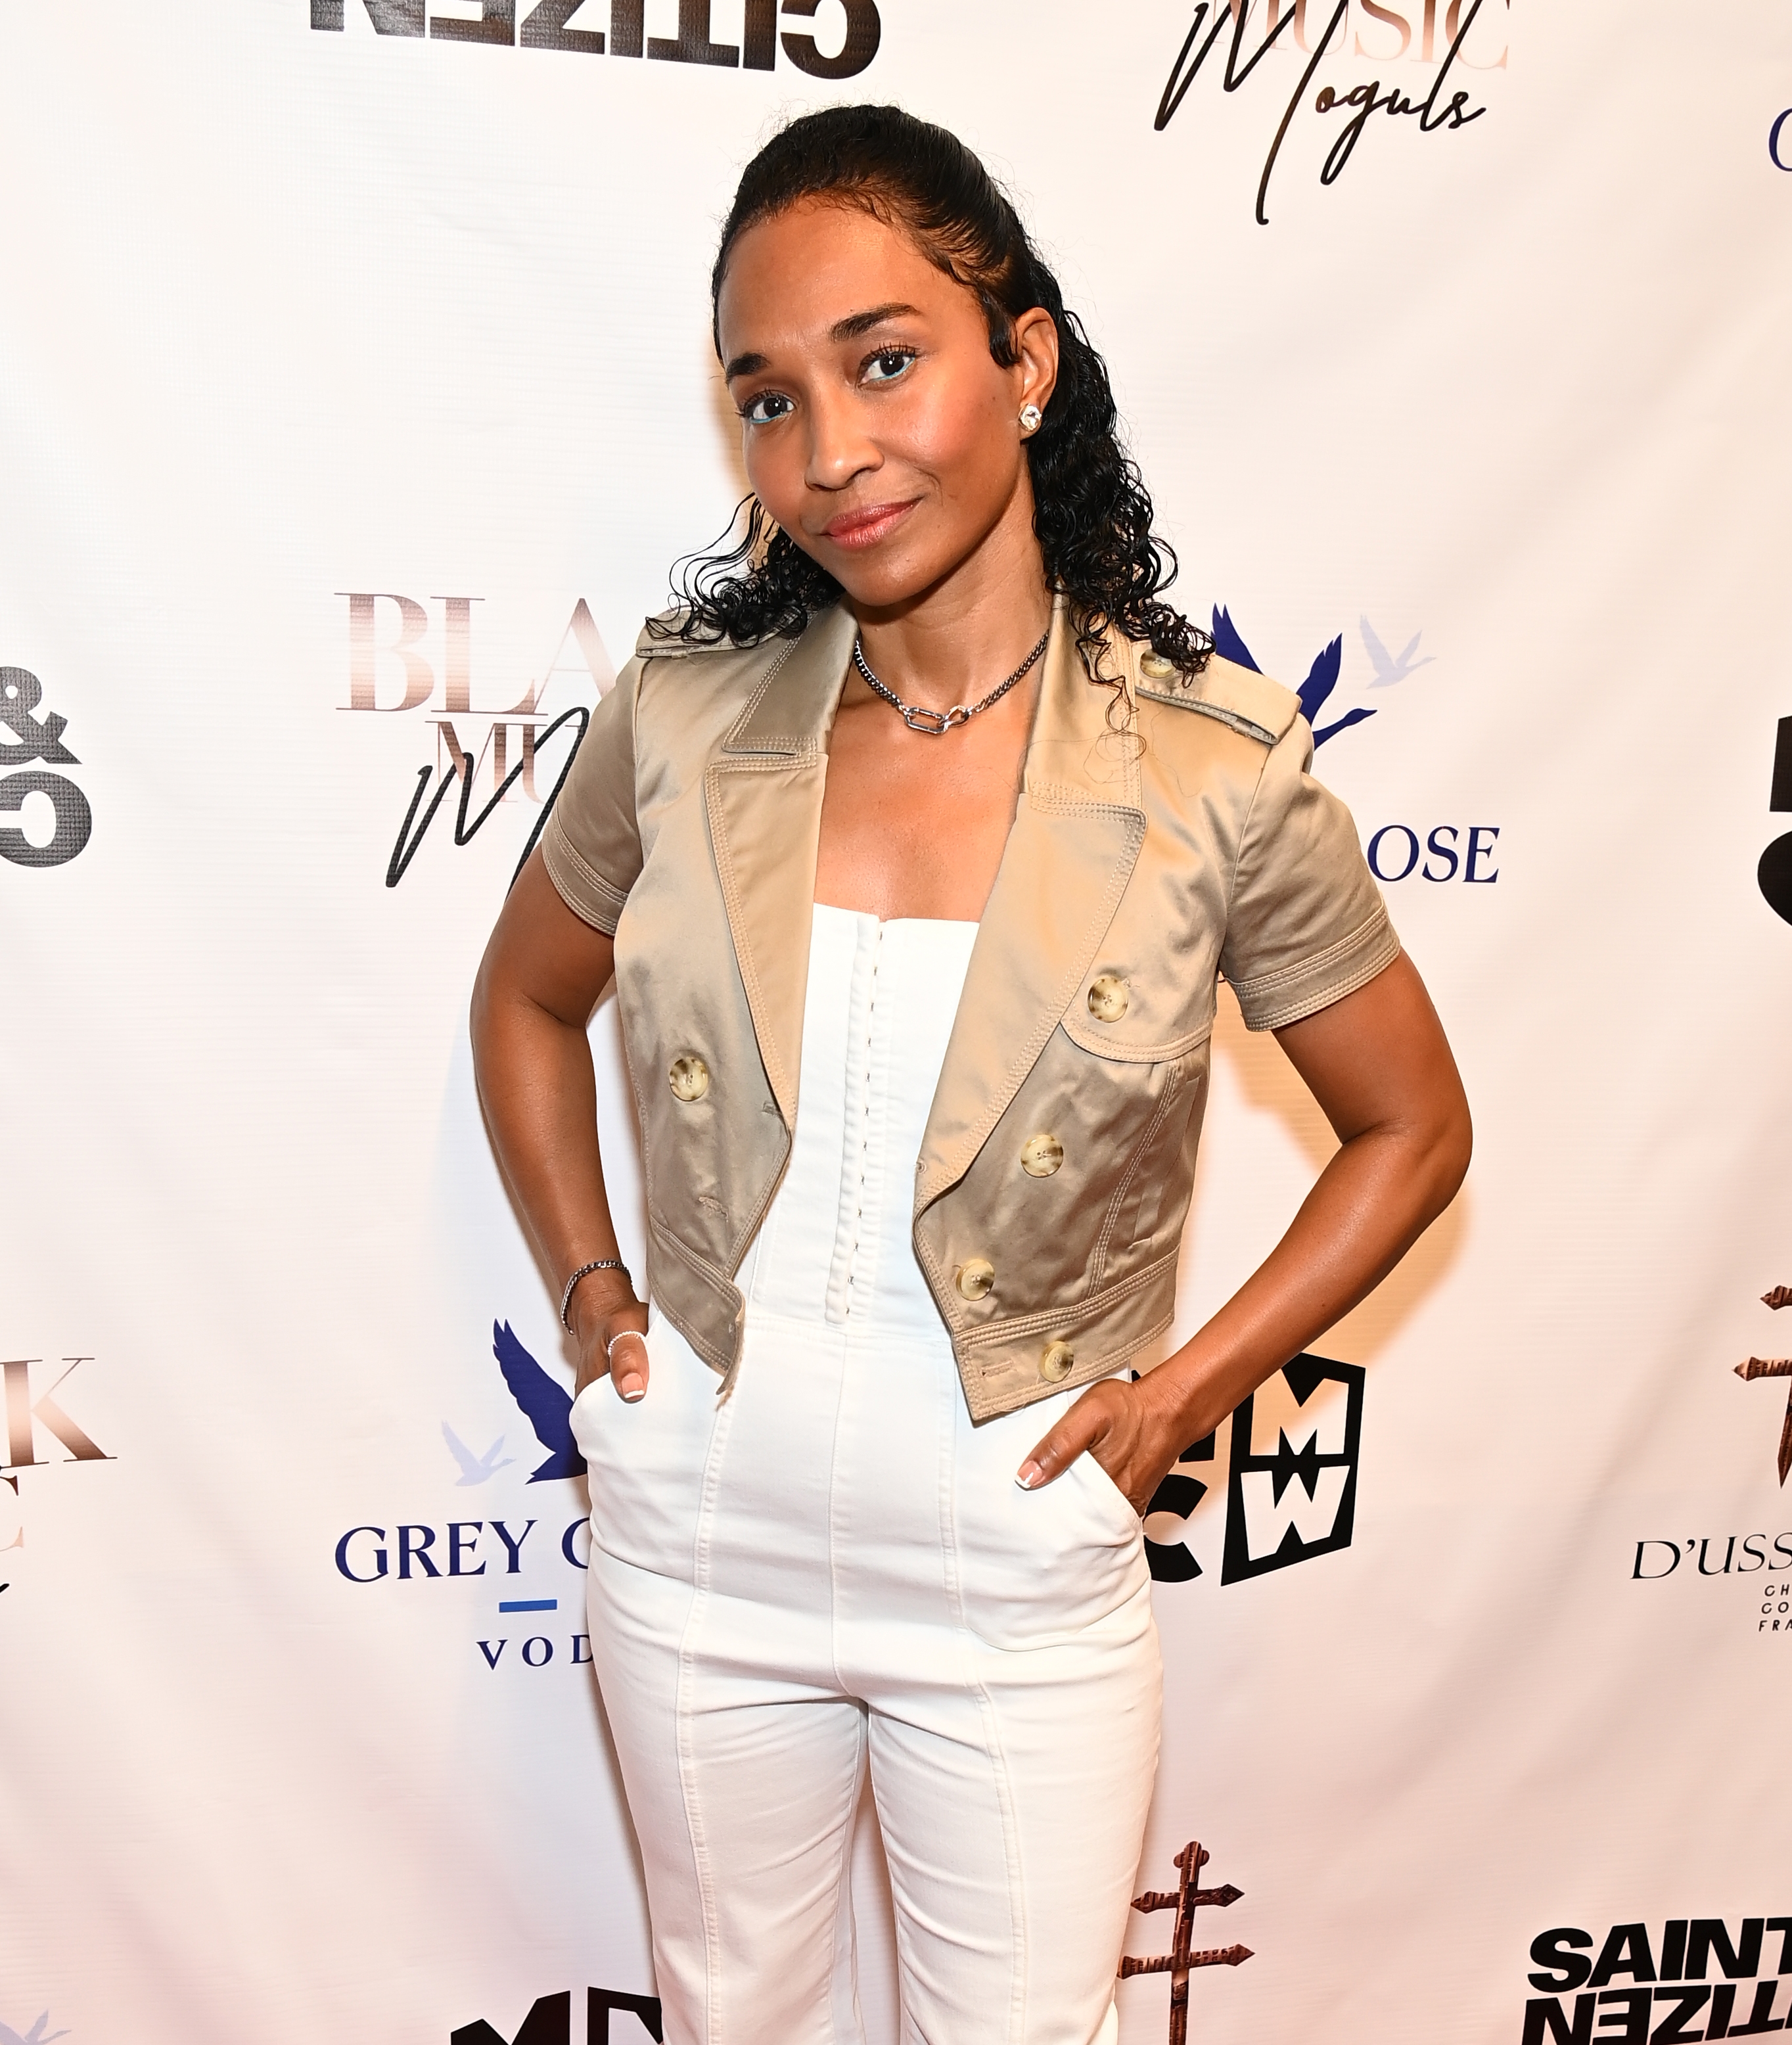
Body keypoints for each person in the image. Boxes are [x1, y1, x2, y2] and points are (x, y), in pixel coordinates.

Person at [470, 103, 1470, 2045]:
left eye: (884, 362)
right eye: (768, 400)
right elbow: (526, 998)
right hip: (700, 1537)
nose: (828, 454)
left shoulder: (1211, 769)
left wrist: (1183, 1394)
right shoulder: (678, 717)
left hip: (1013, 1560)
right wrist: (595, 1298)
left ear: (1025, 360)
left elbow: (1412, 1126)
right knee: (731, 2018)